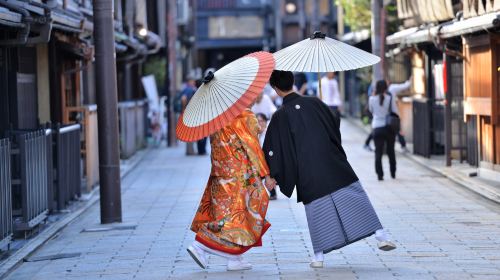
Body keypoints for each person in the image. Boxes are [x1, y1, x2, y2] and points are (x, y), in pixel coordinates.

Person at [263, 71, 396, 269]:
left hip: (307, 170)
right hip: (331, 160)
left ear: (275, 88)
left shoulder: (280, 116)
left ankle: (318, 257)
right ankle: (381, 235)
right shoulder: (316, 102)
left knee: (317, 211)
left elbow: (274, 148)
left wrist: (272, 175)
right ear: (292, 82)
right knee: (353, 196)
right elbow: (335, 125)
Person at [187, 109, 275, 271]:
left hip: (220, 171)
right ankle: (200, 244)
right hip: (238, 174)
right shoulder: (242, 114)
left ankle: (235, 258)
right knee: (239, 213)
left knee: (224, 212)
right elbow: (252, 147)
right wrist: (265, 173)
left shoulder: (214, 115)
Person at [364, 78, 411, 152]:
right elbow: (405, 86)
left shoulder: (375, 96)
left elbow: (371, 110)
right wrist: (410, 80)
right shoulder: (391, 91)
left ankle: (402, 145)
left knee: (380, 133)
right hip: (390, 118)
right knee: (396, 130)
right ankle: (403, 145)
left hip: (380, 121)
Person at [369, 80, 398, 181]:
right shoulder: (389, 98)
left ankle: (380, 175)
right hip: (388, 128)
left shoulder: (372, 99)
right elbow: (395, 111)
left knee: (378, 152)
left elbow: (371, 111)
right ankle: (393, 172)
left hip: (377, 127)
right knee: (391, 151)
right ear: (386, 88)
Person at [256, 113, 277, 201]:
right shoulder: (253, 133)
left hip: (268, 159)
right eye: (258, 121)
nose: (260, 123)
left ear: (265, 121)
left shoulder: (270, 132)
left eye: (261, 121)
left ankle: (272, 191)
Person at [181, 75, 198, 155]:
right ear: (189, 82)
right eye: (192, 81)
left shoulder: (185, 89)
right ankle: (190, 151)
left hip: (188, 112)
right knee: (190, 132)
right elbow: (183, 98)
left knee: (189, 132)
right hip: (190, 112)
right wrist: (185, 108)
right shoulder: (189, 89)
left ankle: (189, 150)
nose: (194, 82)